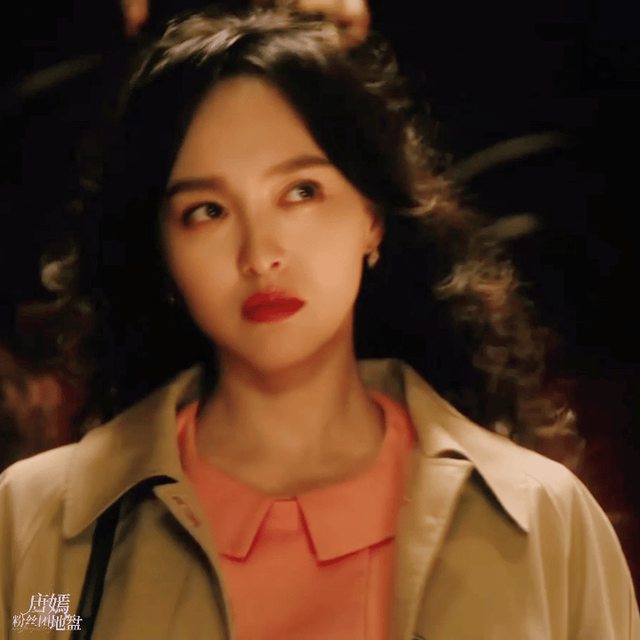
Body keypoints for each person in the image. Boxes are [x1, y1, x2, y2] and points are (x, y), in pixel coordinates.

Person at [1, 8, 638, 640]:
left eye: (300, 192)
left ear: (372, 217)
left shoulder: (542, 519)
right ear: (163, 253)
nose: (260, 255)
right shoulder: (40, 531)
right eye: (208, 210)